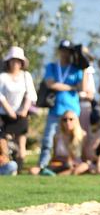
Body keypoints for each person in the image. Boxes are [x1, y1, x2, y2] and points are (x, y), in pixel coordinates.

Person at [37, 40, 89, 175]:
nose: (65, 53)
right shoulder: (52, 66)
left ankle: (77, 163)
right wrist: (71, 87)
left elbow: (83, 88)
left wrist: (85, 68)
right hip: (55, 110)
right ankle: (42, 165)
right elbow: (50, 84)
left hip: (72, 110)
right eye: (63, 50)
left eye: (68, 51)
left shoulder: (76, 69)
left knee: (76, 139)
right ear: (59, 51)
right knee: (49, 139)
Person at [0, 46, 37, 172]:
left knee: (21, 146)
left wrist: (24, 110)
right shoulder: (3, 77)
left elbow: (30, 94)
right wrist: (9, 110)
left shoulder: (26, 76)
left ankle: (19, 169)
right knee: (3, 143)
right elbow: (0, 96)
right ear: (8, 62)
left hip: (21, 115)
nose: (15, 63)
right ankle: (7, 167)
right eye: (13, 60)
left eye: (17, 61)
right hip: (5, 114)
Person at [35, 111, 91, 175]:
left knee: (84, 166)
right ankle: (58, 174)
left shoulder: (82, 135)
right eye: (65, 120)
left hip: (76, 165)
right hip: (61, 164)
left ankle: (58, 175)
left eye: (71, 119)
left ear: (76, 121)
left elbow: (85, 156)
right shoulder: (57, 137)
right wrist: (64, 160)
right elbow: (55, 156)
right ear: (61, 121)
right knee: (33, 170)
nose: (68, 122)